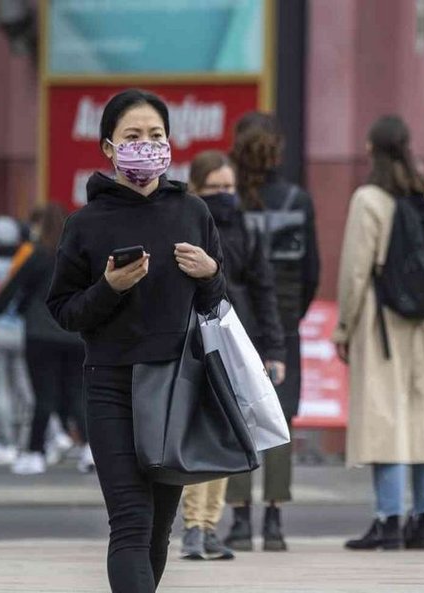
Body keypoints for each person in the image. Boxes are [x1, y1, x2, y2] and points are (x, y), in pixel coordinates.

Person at [46, 88, 226, 593]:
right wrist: (109, 289)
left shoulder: (193, 212)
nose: (146, 145)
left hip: (177, 386)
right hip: (111, 386)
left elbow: (216, 301)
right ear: (108, 148)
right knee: (129, 519)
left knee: (157, 529)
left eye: (156, 135)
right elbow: (63, 310)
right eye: (133, 136)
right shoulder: (84, 225)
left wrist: (211, 273)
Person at [332, 115, 424, 551]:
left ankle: (387, 520)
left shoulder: (368, 199)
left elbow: (354, 271)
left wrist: (344, 325)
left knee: (385, 419)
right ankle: (421, 521)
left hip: (381, 322)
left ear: (371, 149)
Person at [179, 150, 286, 561]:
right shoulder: (188, 227)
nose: (225, 195)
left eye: (229, 187)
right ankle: (193, 525)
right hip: (192, 338)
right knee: (198, 434)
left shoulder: (246, 229)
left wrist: (273, 348)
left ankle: (208, 526)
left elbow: (264, 292)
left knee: (227, 432)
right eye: (215, 188)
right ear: (197, 189)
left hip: (236, 340)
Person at [223, 112, 320, 552]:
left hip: (232, 324)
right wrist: (291, 316)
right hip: (282, 324)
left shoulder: (231, 204)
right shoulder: (298, 200)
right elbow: (311, 270)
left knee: (238, 416)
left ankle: (240, 520)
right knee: (278, 420)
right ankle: (275, 522)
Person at [0, 205, 93, 476]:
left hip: (40, 333)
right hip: (75, 332)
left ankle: (36, 452)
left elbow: (12, 291)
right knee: (75, 394)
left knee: (43, 394)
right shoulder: (80, 258)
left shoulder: (37, 255)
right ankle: (89, 449)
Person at [0, 216, 34, 466]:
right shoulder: (22, 264)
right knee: (25, 387)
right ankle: (27, 439)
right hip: (22, 331)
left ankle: (6, 441)